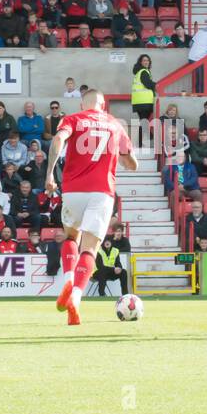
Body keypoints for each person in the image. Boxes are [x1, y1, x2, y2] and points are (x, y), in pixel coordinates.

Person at [46, 87, 139, 326]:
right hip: (102, 192)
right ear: (103, 106)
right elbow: (132, 164)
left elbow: (58, 139)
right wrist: (125, 158)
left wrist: (49, 175)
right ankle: (75, 297)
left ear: (82, 106)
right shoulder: (115, 124)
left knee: (70, 236)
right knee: (90, 249)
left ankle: (67, 278)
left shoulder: (74, 119)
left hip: (73, 189)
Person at [129, 54, 155, 146]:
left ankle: (140, 142)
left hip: (138, 101)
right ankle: (148, 138)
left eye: (147, 60)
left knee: (143, 121)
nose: (146, 62)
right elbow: (148, 84)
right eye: (144, 60)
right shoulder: (144, 72)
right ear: (141, 62)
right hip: (145, 102)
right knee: (144, 121)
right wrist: (156, 85)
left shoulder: (138, 72)